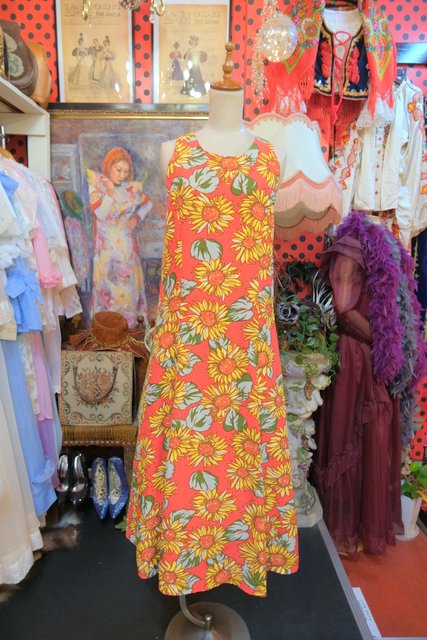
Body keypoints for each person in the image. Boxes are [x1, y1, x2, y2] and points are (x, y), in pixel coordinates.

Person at [127, 46, 298, 598]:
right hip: (187, 345)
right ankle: (185, 564)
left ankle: (234, 560)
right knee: (188, 456)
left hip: (246, 346)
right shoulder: (173, 153)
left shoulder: (270, 157)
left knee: (241, 459)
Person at [87, 147, 152, 328]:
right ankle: (108, 331)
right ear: (109, 166)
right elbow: (101, 214)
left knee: (129, 290)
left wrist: (136, 217)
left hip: (127, 248)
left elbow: (148, 203)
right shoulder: (97, 187)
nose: (122, 175)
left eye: (125, 171)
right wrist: (108, 192)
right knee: (109, 291)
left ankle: (129, 330)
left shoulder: (130, 189)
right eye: (118, 170)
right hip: (107, 251)